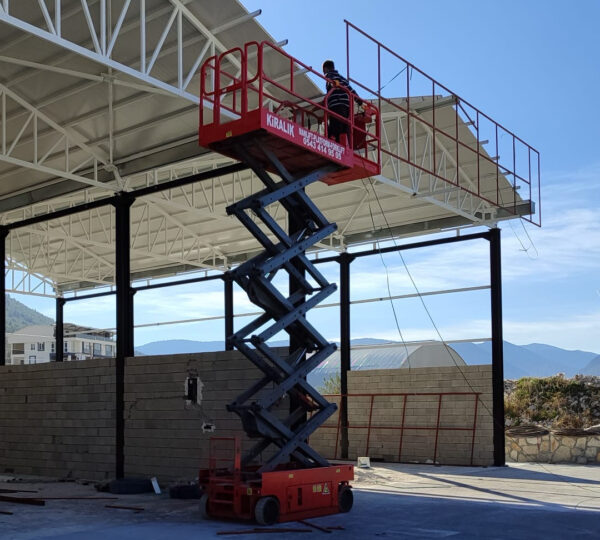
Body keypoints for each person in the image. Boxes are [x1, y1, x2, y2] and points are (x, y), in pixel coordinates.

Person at [322, 60, 361, 144]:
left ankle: (333, 143)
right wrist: (359, 101)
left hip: (336, 106)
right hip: (346, 107)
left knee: (334, 128)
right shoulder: (343, 79)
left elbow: (332, 82)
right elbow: (351, 91)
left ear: (325, 69)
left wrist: (331, 85)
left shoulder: (329, 75)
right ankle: (345, 144)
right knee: (344, 128)